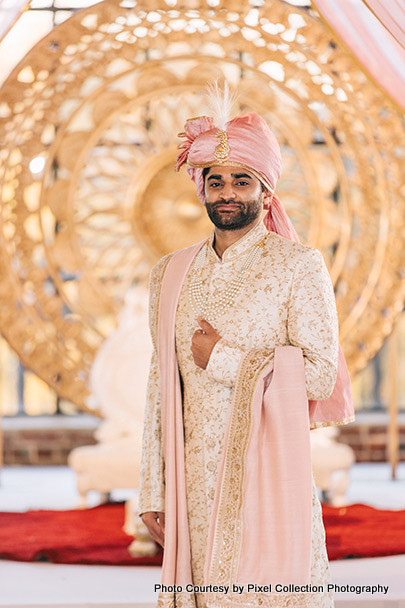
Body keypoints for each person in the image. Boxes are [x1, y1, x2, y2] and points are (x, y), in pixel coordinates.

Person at [138, 85, 354, 608]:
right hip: (191, 483)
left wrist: (225, 359)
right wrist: (151, 489)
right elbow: (159, 386)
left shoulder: (298, 267)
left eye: (242, 181)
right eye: (217, 182)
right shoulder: (169, 273)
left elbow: (321, 374)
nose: (228, 192)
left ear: (266, 191)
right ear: (202, 189)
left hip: (267, 478)